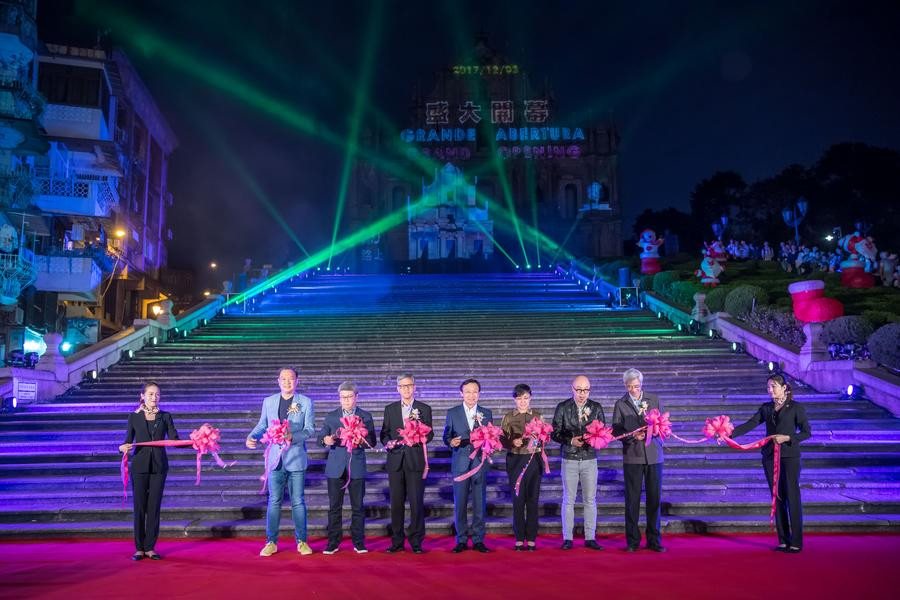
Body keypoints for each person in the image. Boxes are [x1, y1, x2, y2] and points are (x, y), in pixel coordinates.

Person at [730, 373, 811, 553]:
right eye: (768, 387)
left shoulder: (796, 408)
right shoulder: (766, 408)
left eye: (773, 386)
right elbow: (750, 424)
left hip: (789, 457)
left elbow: (806, 432)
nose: (770, 390)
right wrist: (728, 434)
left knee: (792, 496)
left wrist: (788, 437)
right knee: (777, 496)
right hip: (769, 456)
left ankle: (796, 541)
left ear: (784, 388)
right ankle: (783, 540)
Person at [246, 367, 315, 557]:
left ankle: (302, 541)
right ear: (278, 381)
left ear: (297, 381)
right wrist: (251, 436)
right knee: (274, 501)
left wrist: (293, 436)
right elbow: (262, 425)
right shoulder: (268, 402)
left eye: (291, 379)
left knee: (298, 502)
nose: (287, 382)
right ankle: (271, 542)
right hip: (275, 460)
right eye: (283, 379)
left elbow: (310, 429)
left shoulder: (305, 402)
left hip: (296, 458)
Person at [119, 381, 179, 560]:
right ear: (142, 396)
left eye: (157, 394)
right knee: (140, 507)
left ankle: (150, 547)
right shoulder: (134, 417)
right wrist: (122, 447)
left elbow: (175, 439)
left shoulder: (165, 416)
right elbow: (127, 440)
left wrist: (197, 441)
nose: (154, 397)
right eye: (151, 394)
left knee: (154, 507)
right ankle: (139, 548)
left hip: (159, 467)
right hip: (139, 466)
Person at [319, 382, 377, 555]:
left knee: (358, 507)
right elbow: (320, 438)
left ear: (356, 397)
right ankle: (333, 542)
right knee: (334, 507)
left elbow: (372, 441)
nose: (346, 400)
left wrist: (362, 441)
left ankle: (359, 542)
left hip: (356, 465)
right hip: (335, 467)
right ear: (339, 398)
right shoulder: (331, 416)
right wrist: (325, 440)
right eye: (343, 397)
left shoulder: (365, 416)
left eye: (349, 397)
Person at [612, 368, 665, 553]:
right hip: (632, 456)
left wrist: (655, 431)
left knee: (654, 499)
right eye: (630, 387)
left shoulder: (654, 399)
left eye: (637, 386)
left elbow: (664, 425)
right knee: (632, 500)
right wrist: (633, 436)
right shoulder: (620, 404)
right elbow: (616, 431)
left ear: (641, 384)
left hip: (654, 456)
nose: (634, 390)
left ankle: (654, 540)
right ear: (625, 386)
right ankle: (632, 541)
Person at [381, 373, 434, 554]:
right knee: (396, 503)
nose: (406, 389)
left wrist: (421, 436)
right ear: (397, 389)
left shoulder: (424, 408)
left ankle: (416, 541)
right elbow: (384, 433)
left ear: (414, 387)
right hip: (396, 460)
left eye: (409, 385)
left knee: (416, 502)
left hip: (415, 460)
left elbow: (431, 434)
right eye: (402, 386)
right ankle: (397, 541)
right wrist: (387, 442)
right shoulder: (390, 409)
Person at [551, 375, 605, 550]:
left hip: (589, 458)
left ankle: (590, 537)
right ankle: (568, 537)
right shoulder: (563, 407)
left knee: (590, 499)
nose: (582, 394)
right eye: (579, 390)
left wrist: (592, 438)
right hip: (570, 458)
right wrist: (570, 440)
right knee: (569, 499)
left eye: (586, 390)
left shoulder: (596, 407)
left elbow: (603, 431)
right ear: (572, 389)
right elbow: (555, 432)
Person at [443, 378, 494, 553]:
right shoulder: (453, 413)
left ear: (479, 394)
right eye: (468, 392)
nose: (471, 395)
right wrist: (451, 441)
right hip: (460, 463)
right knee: (461, 503)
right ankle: (461, 539)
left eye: (475, 392)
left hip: (479, 463)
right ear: (461, 394)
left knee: (480, 502)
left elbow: (491, 436)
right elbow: (446, 437)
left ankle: (479, 539)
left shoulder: (486, 413)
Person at [500, 384, 544, 551]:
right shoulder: (509, 417)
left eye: (525, 398)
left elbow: (545, 437)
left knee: (532, 500)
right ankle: (519, 538)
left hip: (534, 459)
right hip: (515, 460)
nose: (523, 402)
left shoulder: (538, 416)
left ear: (530, 398)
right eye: (519, 399)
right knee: (518, 501)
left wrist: (539, 440)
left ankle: (531, 538)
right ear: (514, 399)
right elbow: (501, 439)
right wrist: (512, 442)